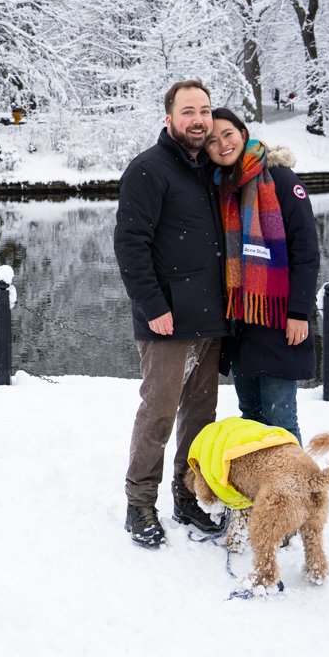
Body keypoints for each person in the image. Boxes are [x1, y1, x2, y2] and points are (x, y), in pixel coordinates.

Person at [113, 79, 231, 548]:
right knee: (159, 413)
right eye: (188, 111)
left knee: (201, 415)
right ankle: (139, 504)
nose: (198, 119)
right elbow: (130, 244)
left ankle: (187, 496)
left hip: (210, 317)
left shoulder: (211, 169)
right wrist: (153, 305)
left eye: (204, 110)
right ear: (169, 118)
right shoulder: (148, 169)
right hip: (166, 319)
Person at [204, 108, 321, 444]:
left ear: (243, 133)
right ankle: (262, 492)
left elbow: (306, 251)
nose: (222, 144)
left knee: (280, 419)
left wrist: (299, 313)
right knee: (252, 417)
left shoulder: (280, 179)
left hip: (277, 317)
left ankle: (294, 492)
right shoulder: (222, 190)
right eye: (212, 140)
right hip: (242, 322)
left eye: (227, 134)